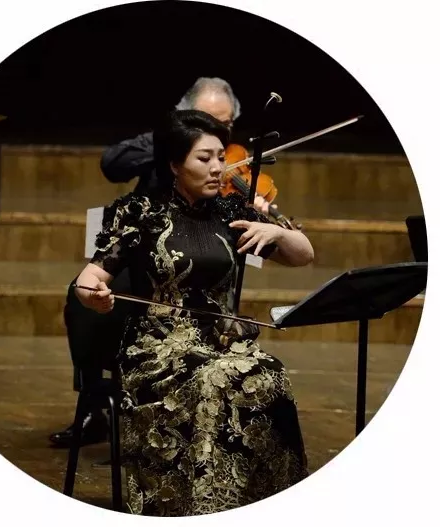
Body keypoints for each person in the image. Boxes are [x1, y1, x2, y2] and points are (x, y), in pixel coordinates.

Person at [73, 109, 313, 515]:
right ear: (174, 164)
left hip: (223, 344)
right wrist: (91, 294)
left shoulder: (231, 212)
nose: (218, 167)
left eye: (220, 156)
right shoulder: (142, 214)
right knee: (220, 379)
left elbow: (304, 255)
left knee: (270, 373)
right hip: (158, 350)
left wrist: (277, 230)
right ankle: (206, 505)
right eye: (205, 158)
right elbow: (89, 277)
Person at [50, 77, 274, 448]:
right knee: (87, 305)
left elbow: (285, 246)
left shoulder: (227, 168)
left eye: (225, 124)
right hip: (144, 252)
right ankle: (95, 401)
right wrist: (176, 143)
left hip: (198, 261)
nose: (217, 137)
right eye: (205, 119)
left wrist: (266, 219)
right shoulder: (164, 142)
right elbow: (112, 163)